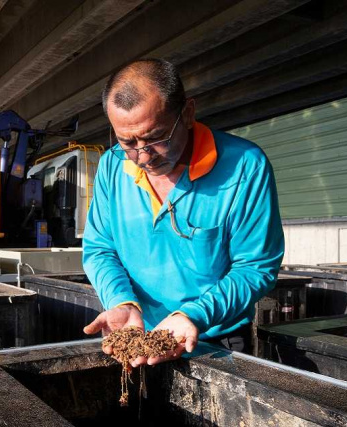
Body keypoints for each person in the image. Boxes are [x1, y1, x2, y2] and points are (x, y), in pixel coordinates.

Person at [82, 58, 285, 366]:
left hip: (216, 337)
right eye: (127, 141)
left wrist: (193, 315)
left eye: (156, 138)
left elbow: (255, 266)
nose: (142, 157)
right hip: (139, 336)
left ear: (187, 113)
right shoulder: (112, 165)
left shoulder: (245, 166)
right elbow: (99, 249)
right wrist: (121, 301)